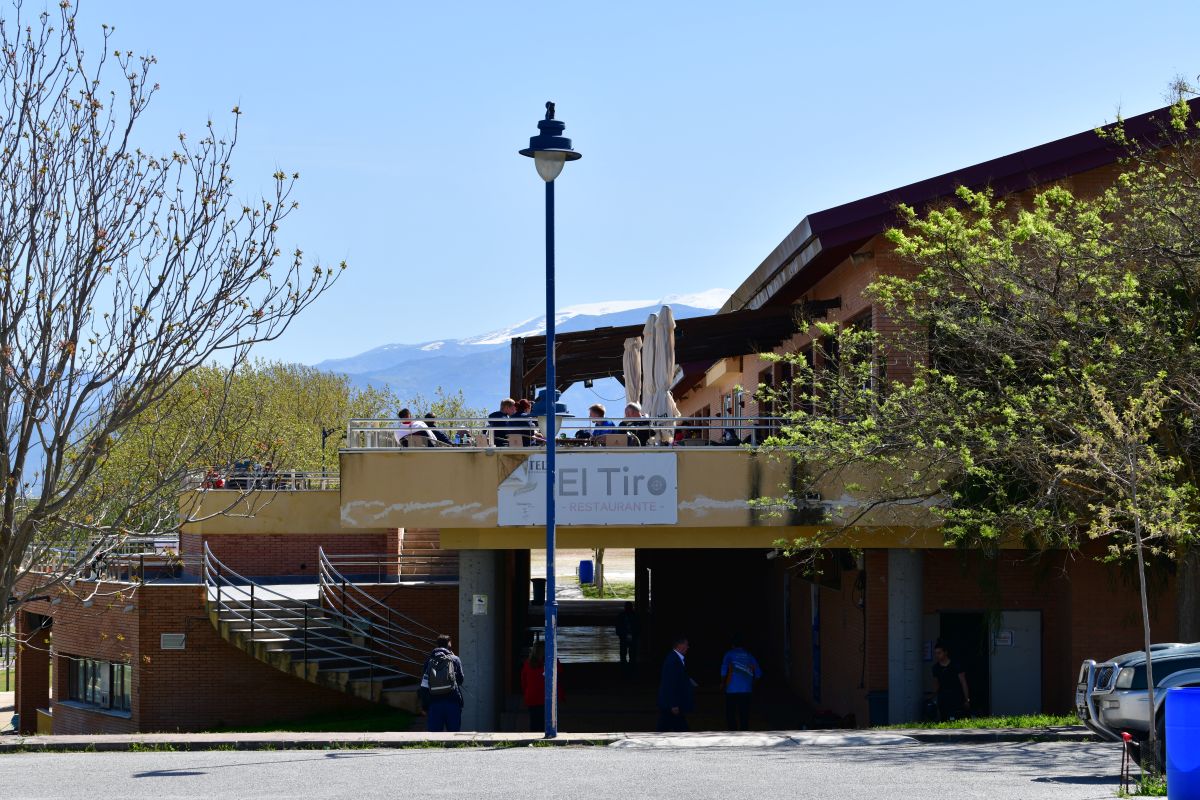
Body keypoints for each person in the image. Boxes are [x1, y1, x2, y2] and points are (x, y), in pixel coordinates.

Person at [420, 634, 465, 732]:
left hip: (434, 703)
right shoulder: (455, 659)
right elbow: (460, 680)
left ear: (437, 645)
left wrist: (424, 706)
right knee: (453, 734)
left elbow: (424, 685)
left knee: (434, 736)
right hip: (453, 701)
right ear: (449, 645)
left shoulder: (429, 660)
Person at [720, 635, 762, 730]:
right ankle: (744, 731)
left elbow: (723, 669)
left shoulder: (729, 654)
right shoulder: (749, 655)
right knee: (744, 713)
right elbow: (758, 673)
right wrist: (752, 684)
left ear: (732, 645)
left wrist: (722, 682)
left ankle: (733, 731)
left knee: (731, 713)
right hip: (746, 689)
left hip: (731, 688)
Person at [520, 641, 562, 732]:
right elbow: (559, 676)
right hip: (548, 697)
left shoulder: (528, 664)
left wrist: (526, 693)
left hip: (532, 697)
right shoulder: (553, 662)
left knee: (534, 721)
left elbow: (523, 681)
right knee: (548, 722)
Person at [657, 635, 694, 732]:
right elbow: (670, 683)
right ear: (680, 645)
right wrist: (673, 704)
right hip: (672, 704)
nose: (688, 647)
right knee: (679, 728)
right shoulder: (673, 660)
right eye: (686, 644)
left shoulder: (674, 658)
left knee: (665, 727)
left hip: (671, 703)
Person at [931, 642, 970, 721]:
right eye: (936, 653)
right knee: (944, 720)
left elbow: (963, 682)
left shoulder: (956, 665)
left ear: (945, 652)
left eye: (939, 653)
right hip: (943, 699)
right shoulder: (935, 668)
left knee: (956, 720)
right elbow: (936, 684)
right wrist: (933, 698)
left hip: (956, 698)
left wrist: (967, 699)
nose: (937, 655)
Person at [614, 601, 640, 676]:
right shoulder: (635, 615)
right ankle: (631, 669)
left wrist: (620, 634)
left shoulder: (621, 615)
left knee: (624, 653)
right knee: (632, 654)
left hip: (624, 636)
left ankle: (624, 669)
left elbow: (618, 626)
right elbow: (639, 626)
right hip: (631, 636)